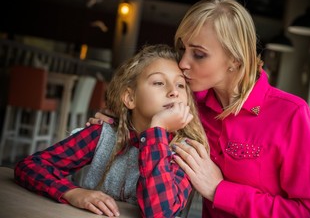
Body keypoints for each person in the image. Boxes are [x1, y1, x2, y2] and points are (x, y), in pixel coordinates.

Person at [88, 0, 310, 217]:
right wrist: (118, 122)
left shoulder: (291, 114)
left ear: (235, 59)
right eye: (182, 49)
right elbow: (145, 123)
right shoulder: (189, 106)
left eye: (199, 54)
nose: (183, 62)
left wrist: (220, 190)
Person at [14, 44, 210, 218]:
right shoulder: (102, 135)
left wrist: (157, 131)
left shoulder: (184, 153)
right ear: (130, 98)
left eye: (181, 85)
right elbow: (30, 166)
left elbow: (159, 213)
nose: (173, 92)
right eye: (158, 82)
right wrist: (71, 193)